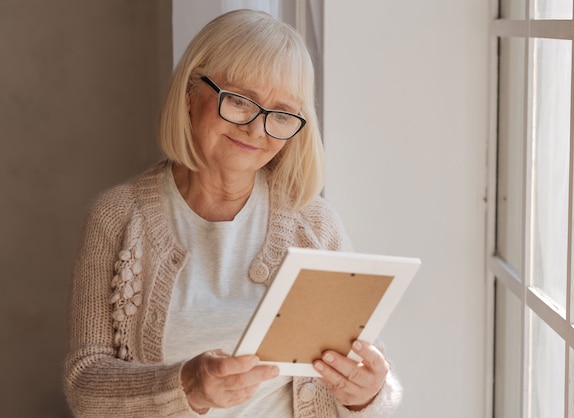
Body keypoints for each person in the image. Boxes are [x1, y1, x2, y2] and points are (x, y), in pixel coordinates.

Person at [64, 9, 402, 417]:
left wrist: (366, 394)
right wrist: (186, 387)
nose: (257, 130)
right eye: (240, 101)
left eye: (281, 114)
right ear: (191, 93)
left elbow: (367, 371)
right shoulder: (117, 217)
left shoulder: (314, 225)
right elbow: (85, 385)